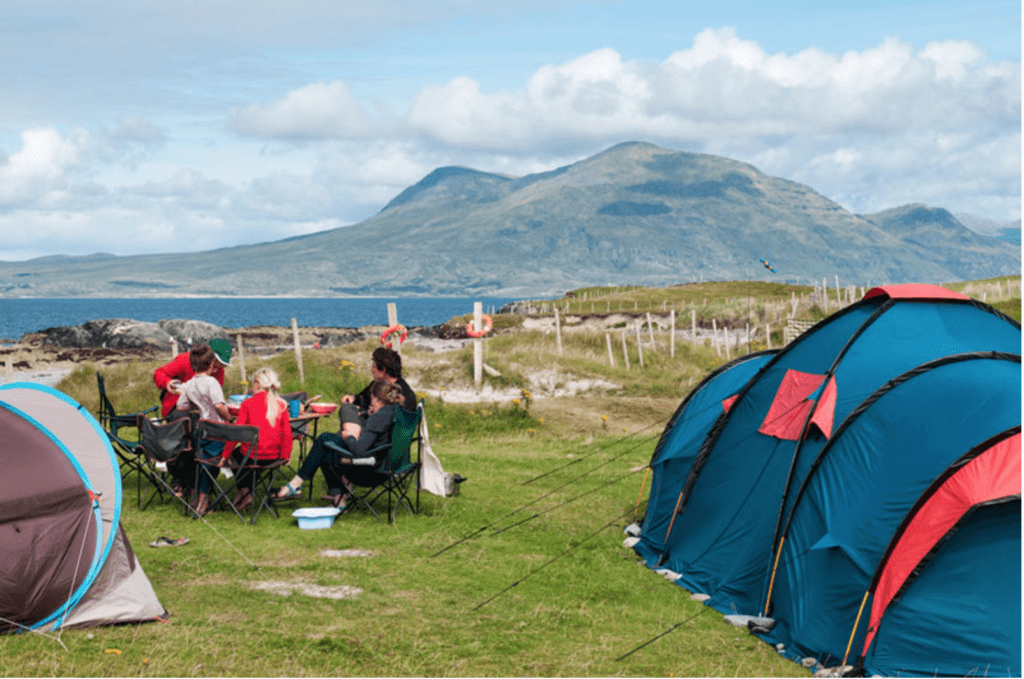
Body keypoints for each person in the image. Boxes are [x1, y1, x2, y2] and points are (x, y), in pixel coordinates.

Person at [275, 380, 404, 512]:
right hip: (385, 462)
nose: (371, 402)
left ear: (377, 400)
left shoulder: (378, 419)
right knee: (326, 442)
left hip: (368, 468)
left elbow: (358, 450)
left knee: (326, 444)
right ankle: (332, 497)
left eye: (371, 398)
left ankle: (299, 485)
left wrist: (349, 436)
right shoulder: (394, 411)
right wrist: (370, 415)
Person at [224, 367, 292, 513]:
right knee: (247, 458)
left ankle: (245, 491)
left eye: (253, 383)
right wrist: (286, 455)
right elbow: (287, 433)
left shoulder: (248, 404)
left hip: (252, 456)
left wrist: (225, 455)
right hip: (274, 458)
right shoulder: (281, 404)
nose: (251, 387)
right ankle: (246, 491)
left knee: (236, 456)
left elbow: (237, 433)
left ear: (258, 384)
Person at [175, 344, 231, 516]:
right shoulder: (212, 382)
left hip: (200, 428)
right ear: (211, 363)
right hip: (216, 428)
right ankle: (203, 498)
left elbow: (181, 406)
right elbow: (219, 405)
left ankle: (196, 495)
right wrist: (227, 416)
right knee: (213, 462)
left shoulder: (190, 384)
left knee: (202, 461)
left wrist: (197, 403)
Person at [153, 338, 232, 418]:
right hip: (177, 406)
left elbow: (216, 398)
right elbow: (159, 373)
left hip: (203, 408)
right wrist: (167, 382)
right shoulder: (184, 360)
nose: (220, 368)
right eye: (219, 363)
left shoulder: (220, 371)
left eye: (223, 365)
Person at [341, 347, 417, 416]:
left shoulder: (403, 394)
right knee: (347, 408)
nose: (371, 370)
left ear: (383, 370)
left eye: (374, 367)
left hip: (377, 429)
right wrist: (352, 398)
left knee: (346, 410)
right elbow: (362, 397)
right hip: (369, 423)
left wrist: (365, 413)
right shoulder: (377, 384)